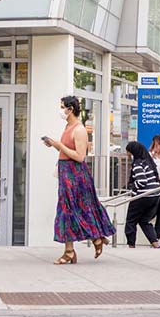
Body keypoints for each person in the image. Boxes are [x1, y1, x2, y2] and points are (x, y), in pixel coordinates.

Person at [43, 96, 115, 263]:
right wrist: (54, 144)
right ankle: (72, 249)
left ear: (71, 109)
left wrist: (59, 146)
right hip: (65, 171)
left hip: (75, 174)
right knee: (65, 209)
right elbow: (67, 150)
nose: (61, 110)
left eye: (62, 107)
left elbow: (80, 156)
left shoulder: (79, 129)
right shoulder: (68, 126)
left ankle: (93, 239)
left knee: (77, 208)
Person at [123, 141, 160, 249]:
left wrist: (133, 188)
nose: (127, 155)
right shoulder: (149, 162)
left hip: (142, 196)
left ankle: (131, 245)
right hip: (154, 195)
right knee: (144, 221)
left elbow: (141, 181)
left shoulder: (138, 163)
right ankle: (155, 243)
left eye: (128, 152)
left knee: (130, 221)